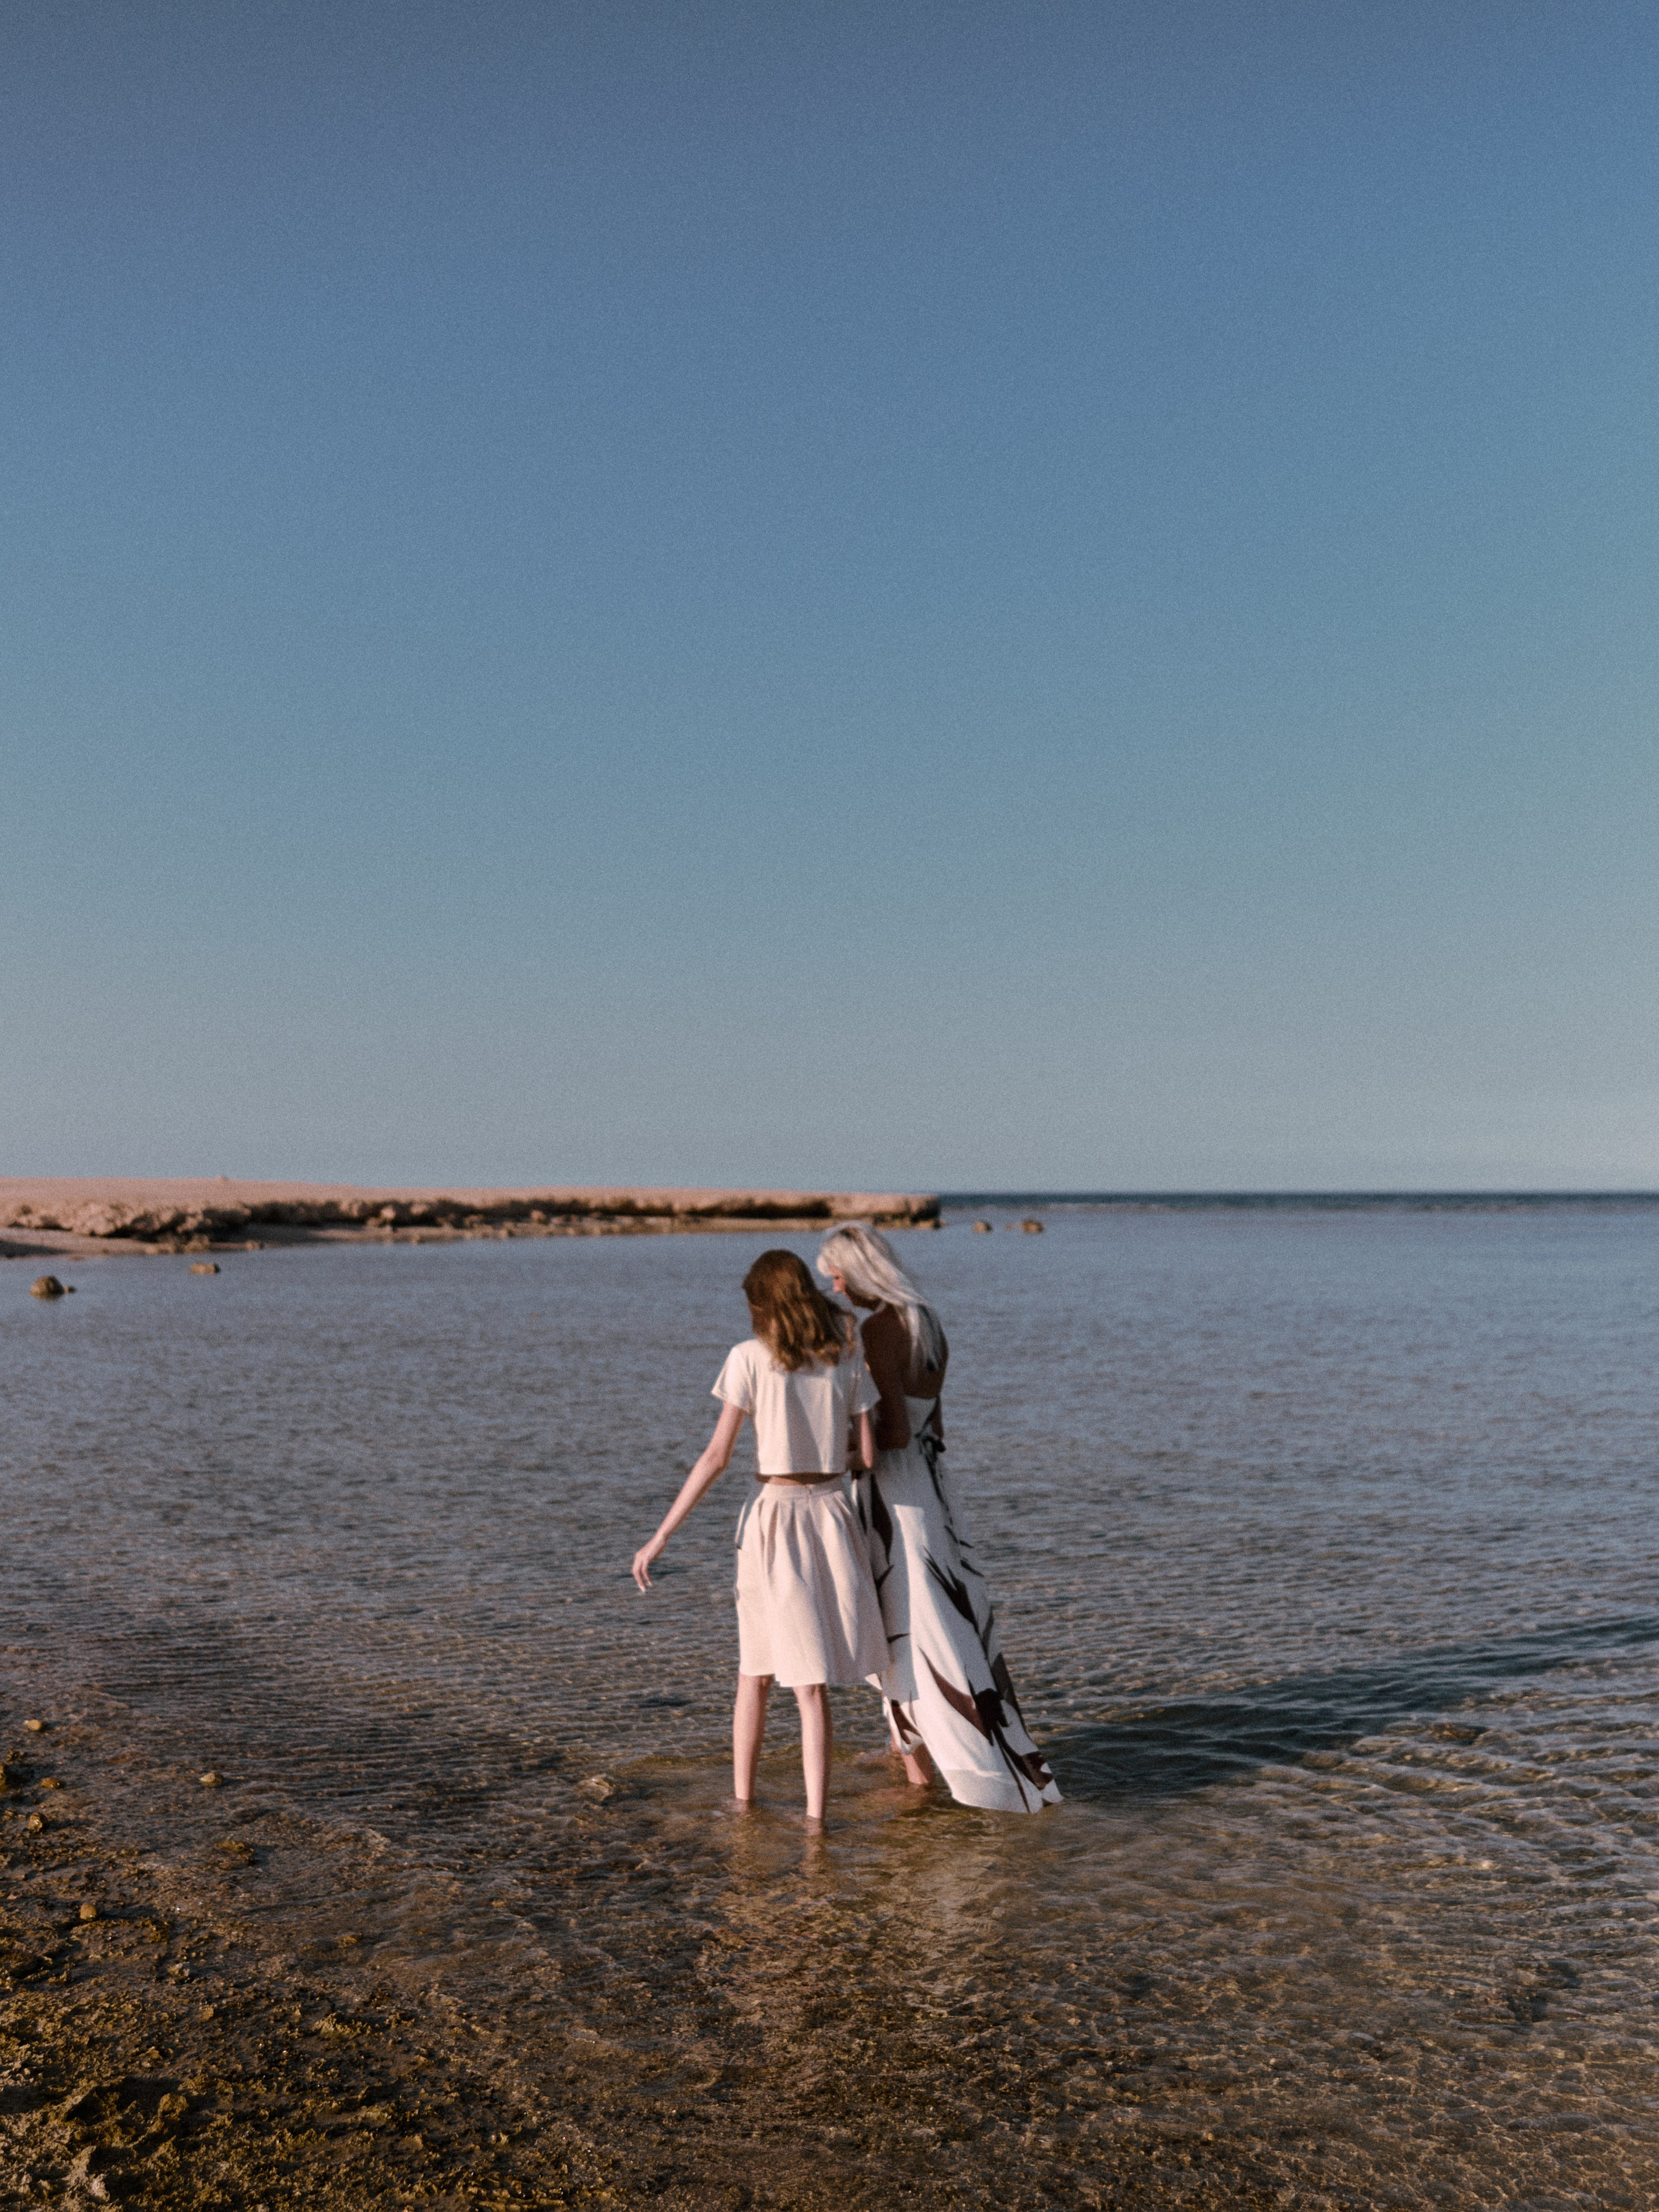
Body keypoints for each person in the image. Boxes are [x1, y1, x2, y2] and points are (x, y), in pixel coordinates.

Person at [632, 1249, 887, 1823]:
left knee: (756, 1671)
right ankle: (817, 1821)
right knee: (812, 1683)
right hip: (830, 1515)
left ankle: (742, 1803)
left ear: (762, 1301)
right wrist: (824, 1450)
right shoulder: (846, 1354)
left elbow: (716, 1457)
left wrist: (660, 1537)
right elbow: (866, 1455)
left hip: (772, 1519)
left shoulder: (747, 1358)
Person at [817, 1224, 1060, 1813]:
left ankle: (933, 1773)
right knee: (942, 1621)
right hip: (934, 1488)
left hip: (895, 1496)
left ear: (861, 1270)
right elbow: (935, 1427)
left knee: (907, 1628)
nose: (834, 1284)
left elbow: (892, 1432)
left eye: (838, 1272)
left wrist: (827, 1456)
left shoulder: (878, 1330)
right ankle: (920, 1755)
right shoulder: (928, 1320)